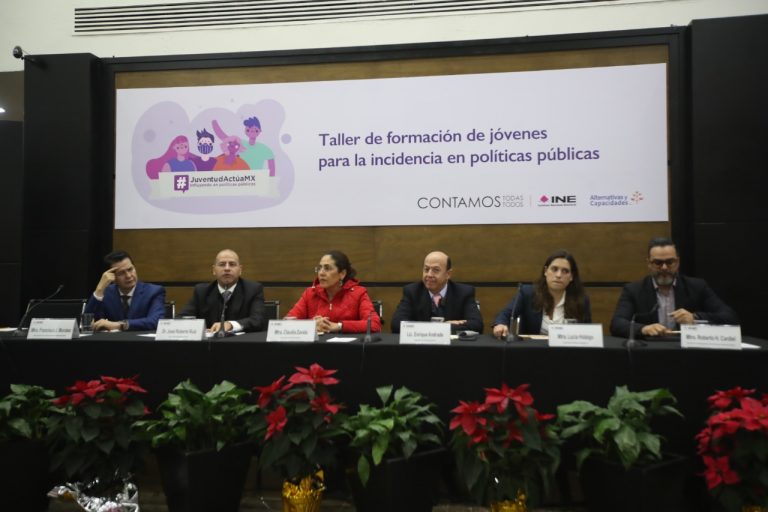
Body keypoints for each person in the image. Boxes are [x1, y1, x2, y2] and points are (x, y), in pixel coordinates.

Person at [610, 237, 738, 339]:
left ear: (678, 262)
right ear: (649, 263)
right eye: (658, 263)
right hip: (650, 352)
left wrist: (695, 318)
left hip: (688, 352)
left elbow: (730, 317)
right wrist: (644, 329)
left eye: (670, 262)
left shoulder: (697, 287)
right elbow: (617, 324)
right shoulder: (633, 290)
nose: (664, 268)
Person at [492, 250, 591, 338]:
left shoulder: (581, 300)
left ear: (571, 277)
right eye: (554, 269)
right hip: (533, 352)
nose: (558, 275)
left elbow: (587, 334)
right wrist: (500, 324)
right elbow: (505, 314)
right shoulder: (528, 293)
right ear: (545, 271)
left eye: (565, 271)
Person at [285, 250, 380, 334]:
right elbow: (286, 324)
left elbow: (374, 324)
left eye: (327, 268)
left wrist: (339, 326)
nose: (321, 273)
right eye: (319, 268)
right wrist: (311, 325)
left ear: (342, 274)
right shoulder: (310, 293)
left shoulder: (358, 293)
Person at [391, 251, 483, 334]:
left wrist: (421, 327)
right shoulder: (412, 291)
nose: (429, 275)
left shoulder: (463, 293)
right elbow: (396, 324)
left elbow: (477, 325)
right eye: (426, 269)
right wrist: (443, 326)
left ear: (448, 274)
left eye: (436, 270)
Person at [179, 249, 267, 333]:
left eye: (232, 264)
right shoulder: (202, 291)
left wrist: (230, 325)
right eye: (222, 264)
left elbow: (258, 320)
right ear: (214, 270)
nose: (227, 268)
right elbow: (181, 318)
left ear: (240, 270)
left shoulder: (253, 289)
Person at [84, 250, 165, 331]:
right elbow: (86, 324)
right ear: (112, 277)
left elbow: (156, 321)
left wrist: (120, 325)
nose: (129, 276)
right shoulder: (105, 293)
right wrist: (99, 289)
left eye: (130, 269)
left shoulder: (153, 291)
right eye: (121, 273)